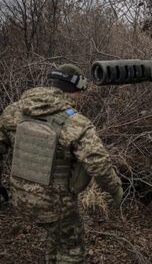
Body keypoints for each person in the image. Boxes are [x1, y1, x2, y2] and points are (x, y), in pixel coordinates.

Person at [0, 64, 123, 263]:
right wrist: (115, 190)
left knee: (55, 236)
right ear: (74, 89)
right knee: (71, 251)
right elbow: (99, 164)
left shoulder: (14, 111)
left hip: (20, 198)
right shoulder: (75, 123)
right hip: (57, 205)